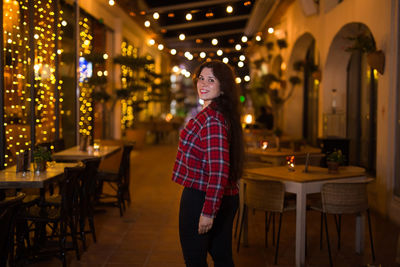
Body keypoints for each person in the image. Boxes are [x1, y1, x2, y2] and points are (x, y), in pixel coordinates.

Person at [172, 60, 244, 267]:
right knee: (222, 258)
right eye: (201, 78)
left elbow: (219, 170)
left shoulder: (212, 120)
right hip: (223, 195)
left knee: (194, 260)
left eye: (211, 80)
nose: (203, 83)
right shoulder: (220, 115)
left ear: (223, 87)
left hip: (202, 197)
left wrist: (207, 212)